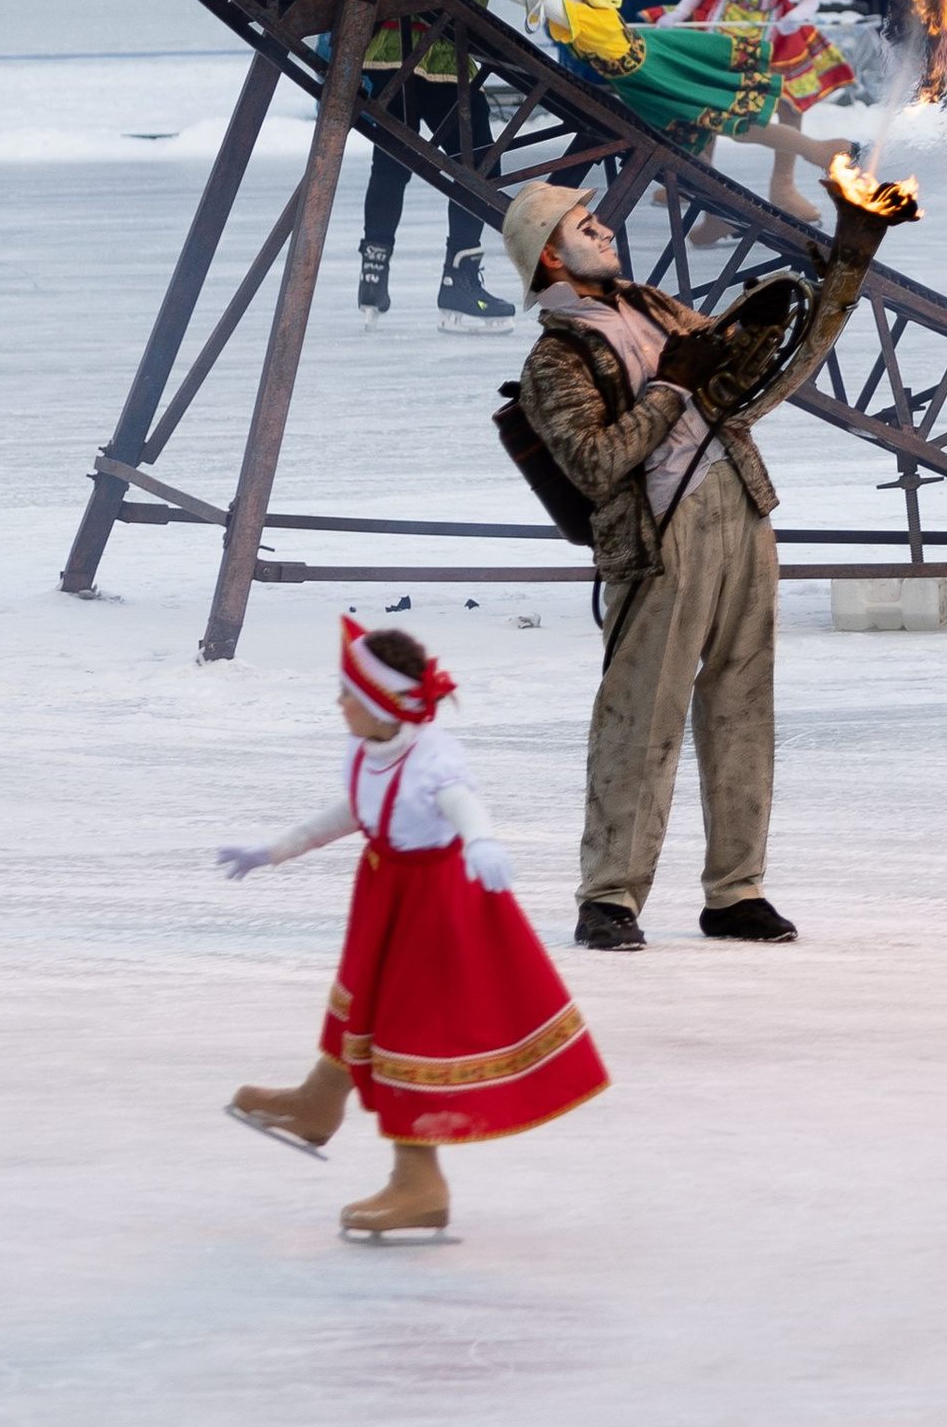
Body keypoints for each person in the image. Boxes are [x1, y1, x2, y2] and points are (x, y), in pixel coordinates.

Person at [497, 161, 884, 954]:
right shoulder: (555, 362)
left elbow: (745, 389)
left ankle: (735, 891)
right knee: (641, 718)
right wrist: (673, 387)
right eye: (584, 226)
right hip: (655, 536)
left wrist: (839, 270)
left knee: (743, 703)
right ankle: (609, 896)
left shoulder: (649, 305)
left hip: (738, 507)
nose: (604, 229)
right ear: (553, 259)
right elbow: (599, 468)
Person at [217, 613, 606, 1241]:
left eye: (348, 692)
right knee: (360, 1007)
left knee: (406, 1034)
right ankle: (320, 1100)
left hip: (436, 907)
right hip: (385, 889)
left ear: (381, 703)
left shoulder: (433, 760)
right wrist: (274, 850)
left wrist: (481, 842)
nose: (339, 702)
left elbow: (462, 804)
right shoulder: (370, 746)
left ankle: (419, 1182)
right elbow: (356, 811)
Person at [361, 0, 528, 326]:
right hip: (439, 58)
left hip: (383, 54)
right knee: (478, 165)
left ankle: (373, 279)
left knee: (389, 165)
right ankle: (460, 282)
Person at [664, 0, 858, 230]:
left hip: (771, 33)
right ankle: (695, 179)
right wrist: (679, 13)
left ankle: (782, 187)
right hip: (725, 28)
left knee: (789, 102)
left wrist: (796, 16)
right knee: (709, 99)